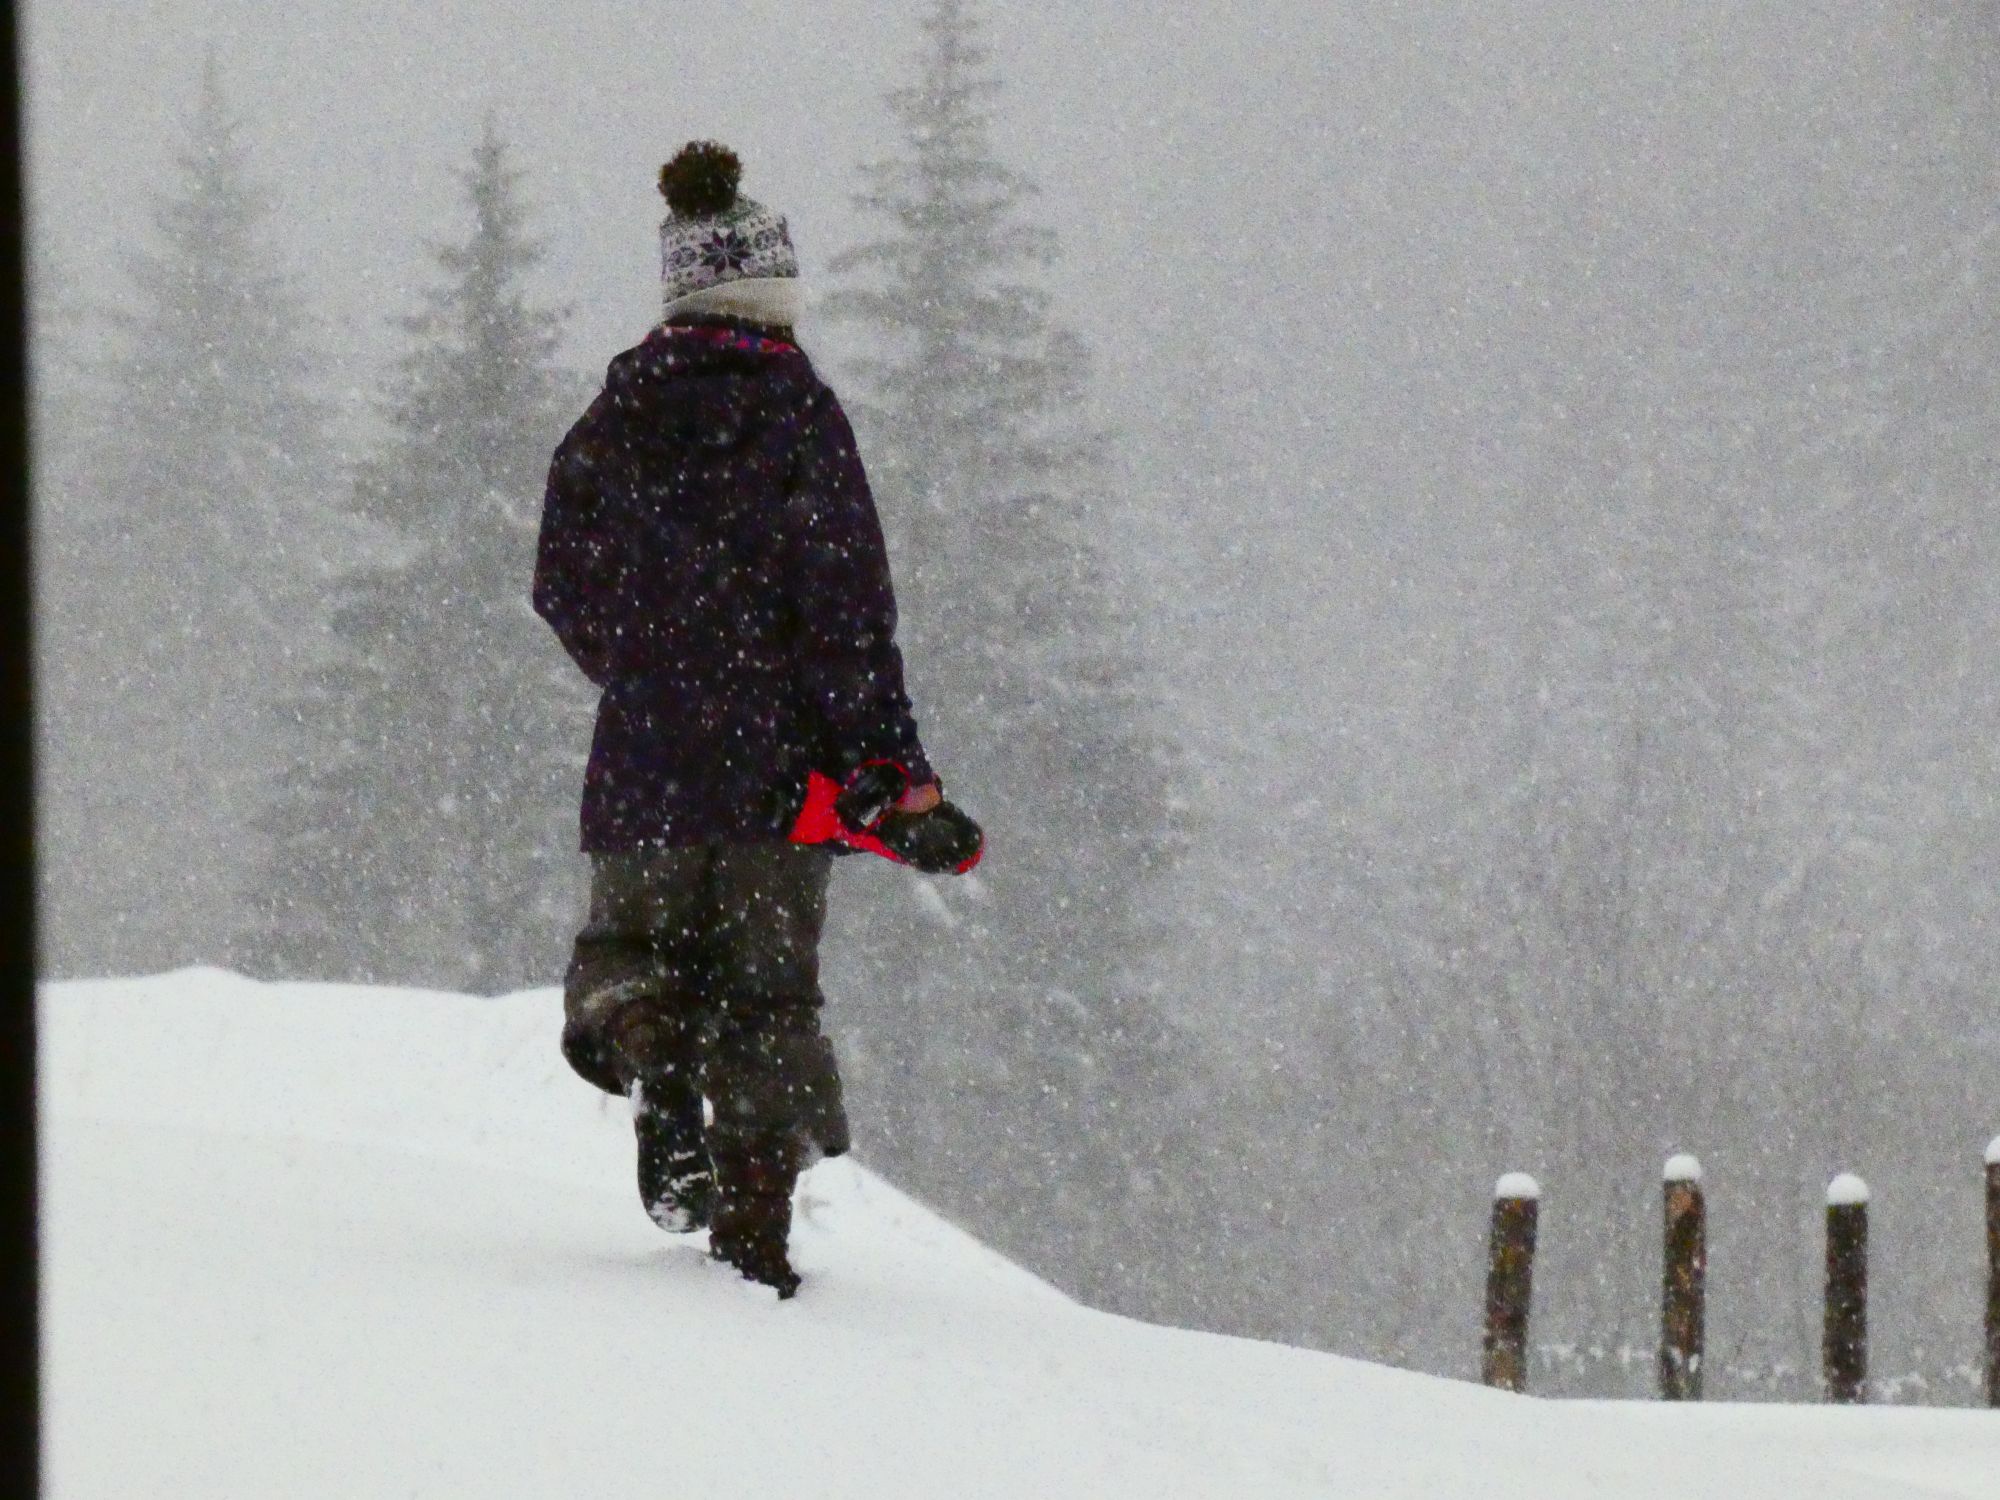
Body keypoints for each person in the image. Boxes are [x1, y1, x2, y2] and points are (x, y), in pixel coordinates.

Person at [532, 140, 961, 1298]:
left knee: (626, 951)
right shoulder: (801, 416)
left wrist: (638, 671)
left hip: (645, 767)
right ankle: (756, 1233)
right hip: (780, 780)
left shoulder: (615, 412)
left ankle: (648, 1047)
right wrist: (893, 769)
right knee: (768, 998)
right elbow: (849, 614)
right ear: (773, 289)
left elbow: (560, 578)